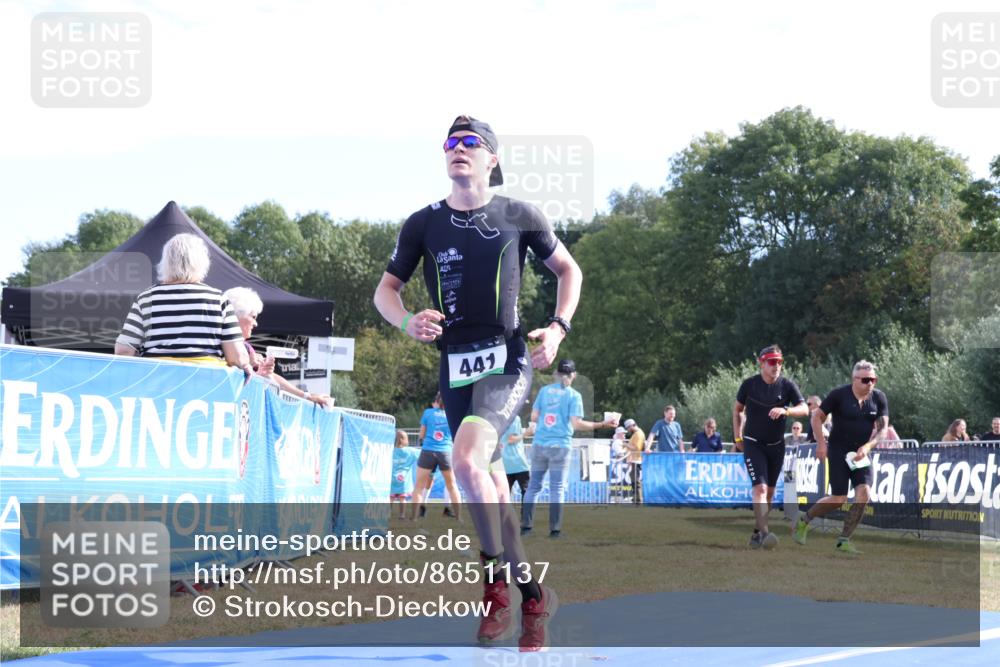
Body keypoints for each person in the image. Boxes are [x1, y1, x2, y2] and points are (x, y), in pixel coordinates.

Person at [373, 115, 577, 650]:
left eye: (471, 143)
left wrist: (557, 330)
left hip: (507, 361)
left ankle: (494, 591)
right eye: (451, 143)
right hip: (454, 366)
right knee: (489, 493)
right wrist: (404, 320)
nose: (458, 149)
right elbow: (385, 291)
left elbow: (569, 272)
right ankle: (534, 596)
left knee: (464, 461)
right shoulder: (423, 224)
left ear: (492, 160)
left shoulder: (519, 214)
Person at [115, 233, 250, 372]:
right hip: (206, 383)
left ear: (165, 262)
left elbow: (123, 351)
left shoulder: (145, 299)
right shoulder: (219, 299)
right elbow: (236, 357)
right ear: (202, 262)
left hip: (155, 383)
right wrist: (246, 363)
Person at [793, 360, 889, 555]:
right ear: (854, 379)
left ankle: (844, 540)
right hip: (838, 449)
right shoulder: (839, 395)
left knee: (864, 493)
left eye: (873, 379)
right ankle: (804, 521)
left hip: (861, 452)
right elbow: (816, 417)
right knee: (839, 498)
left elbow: (883, 429)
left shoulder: (878, 398)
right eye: (865, 380)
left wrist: (868, 446)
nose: (870, 383)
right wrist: (821, 444)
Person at [522, 359, 616, 535]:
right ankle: (555, 530)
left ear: (557, 374)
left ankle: (526, 528)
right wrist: (602, 424)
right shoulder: (574, 396)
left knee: (534, 486)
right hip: (560, 445)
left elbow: (534, 416)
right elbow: (577, 424)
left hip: (540, 443)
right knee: (557, 488)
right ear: (573, 375)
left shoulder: (543, 391)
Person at [732, 345, 808, 549]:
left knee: (770, 494)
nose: (777, 366)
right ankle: (766, 534)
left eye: (780, 362)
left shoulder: (787, 386)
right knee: (760, 488)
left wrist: (786, 411)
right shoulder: (749, 385)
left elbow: (805, 409)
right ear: (762, 364)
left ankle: (757, 533)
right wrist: (737, 436)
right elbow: (738, 409)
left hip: (776, 446)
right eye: (772, 362)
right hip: (753, 443)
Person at [223, 287, 334, 406]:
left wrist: (307, 396)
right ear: (235, 316)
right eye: (253, 317)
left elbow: (273, 378)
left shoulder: (248, 348)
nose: (256, 323)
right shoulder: (218, 344)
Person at [414, 393, 462, 521]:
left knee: (419, 486)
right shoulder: (452, 414)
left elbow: (422, 434)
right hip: (445, 452)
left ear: (436, 401)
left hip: (428, 451)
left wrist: (421, 441)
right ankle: (458, 517)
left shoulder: (428, 413)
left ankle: (415, 516)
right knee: (451, 485)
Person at [391, 430, 420, 519]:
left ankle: (387, 513)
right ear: (404, 440)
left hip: (391, 479)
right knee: (402, 499)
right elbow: (423, 453)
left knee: (390, 498)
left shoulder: (390, 451)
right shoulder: (410, 451)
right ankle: (402, 515)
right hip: (404, 480)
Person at [501, 415, 530, 498]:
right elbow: (511, 439)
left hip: (504, 462)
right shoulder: (515, 418)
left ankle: (503, 511)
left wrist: (523, 431)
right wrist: (526, 433)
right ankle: (526, 511)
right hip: (518, 462)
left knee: (504, 494)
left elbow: (507, 436)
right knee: (526, 491)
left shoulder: (499, 417)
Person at [622, 418, 647, 503]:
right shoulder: (636, 434)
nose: (628, 430)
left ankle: (638, 499)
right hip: (634, 460)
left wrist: (624, 444)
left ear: (632, 425)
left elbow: (636, 448)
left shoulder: (638, 434)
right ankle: (636, 498)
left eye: (628, 428)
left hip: (637, 460)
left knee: (635, 480)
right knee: (634, 479)